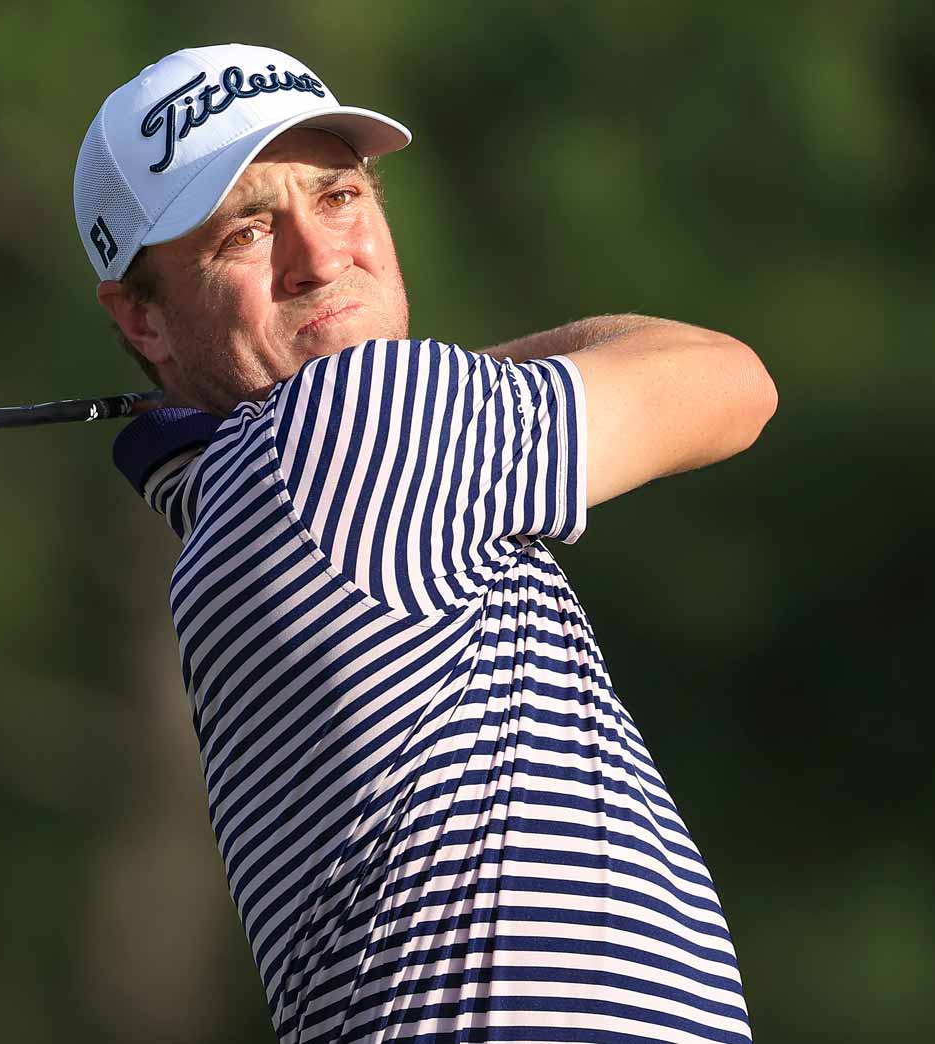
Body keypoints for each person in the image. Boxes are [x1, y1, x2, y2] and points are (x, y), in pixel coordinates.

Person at [75, 43, 775, 1044]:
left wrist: (436, 382)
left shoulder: (225, 502)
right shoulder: (356, 430)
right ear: (141, 318)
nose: (317, 256)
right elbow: (730, 384)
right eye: (245, 232)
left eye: (340, 196)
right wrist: (441, 373)